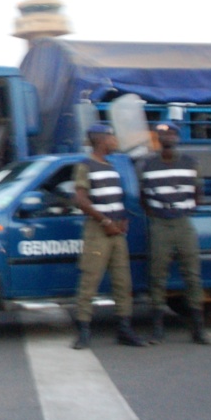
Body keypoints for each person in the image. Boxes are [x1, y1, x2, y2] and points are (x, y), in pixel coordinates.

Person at [136, 122, 211, 345]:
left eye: (171, 133)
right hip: (159, 224)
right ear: (157, 138)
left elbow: (199, 194)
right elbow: (143, 197)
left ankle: (198, 329)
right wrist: (157, 213)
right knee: (157, 275)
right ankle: (157, 329)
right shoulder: (147, 164)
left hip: (183, 223)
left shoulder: (191, 163)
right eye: (163, 133)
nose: (167, 137)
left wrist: (184, 210)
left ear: (177, 137)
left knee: (193, 275)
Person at [72, 124, 146, 349]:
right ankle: (83, 331)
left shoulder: (111, 166)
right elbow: (81, 200)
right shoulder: (85, 166)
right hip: (99, 231)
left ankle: (124, 328)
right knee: (90, 280)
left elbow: (113, 199)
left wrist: (122, 219)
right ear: (102, 139)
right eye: (112, 137)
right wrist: (105, 221)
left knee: (123, 282)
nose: (115, 141)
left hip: (116, 232)